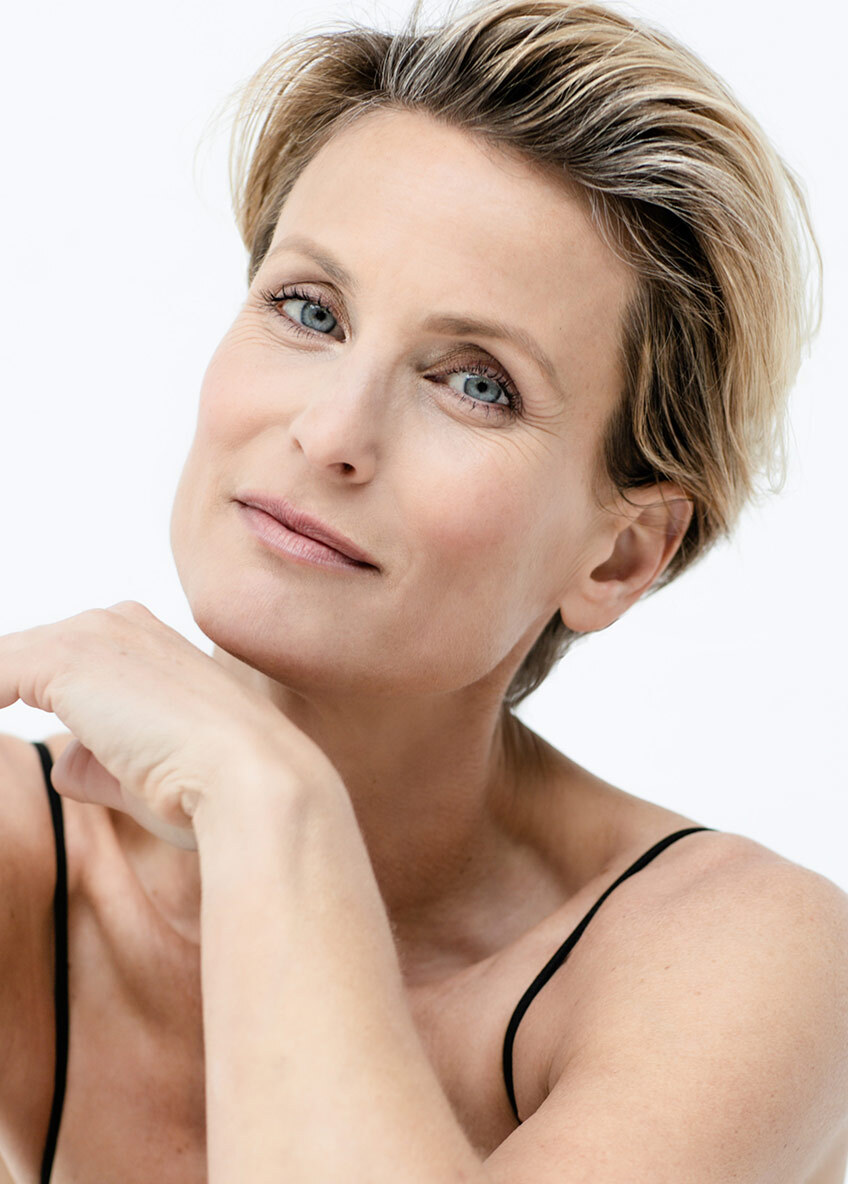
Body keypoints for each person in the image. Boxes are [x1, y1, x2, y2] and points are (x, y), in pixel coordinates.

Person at [1, 0, 846, 1181]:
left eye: (476, 383)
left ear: (618, 556)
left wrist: (267, 804)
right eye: (309, 309)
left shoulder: (730, 957)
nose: (330, 432)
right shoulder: (19, 851)